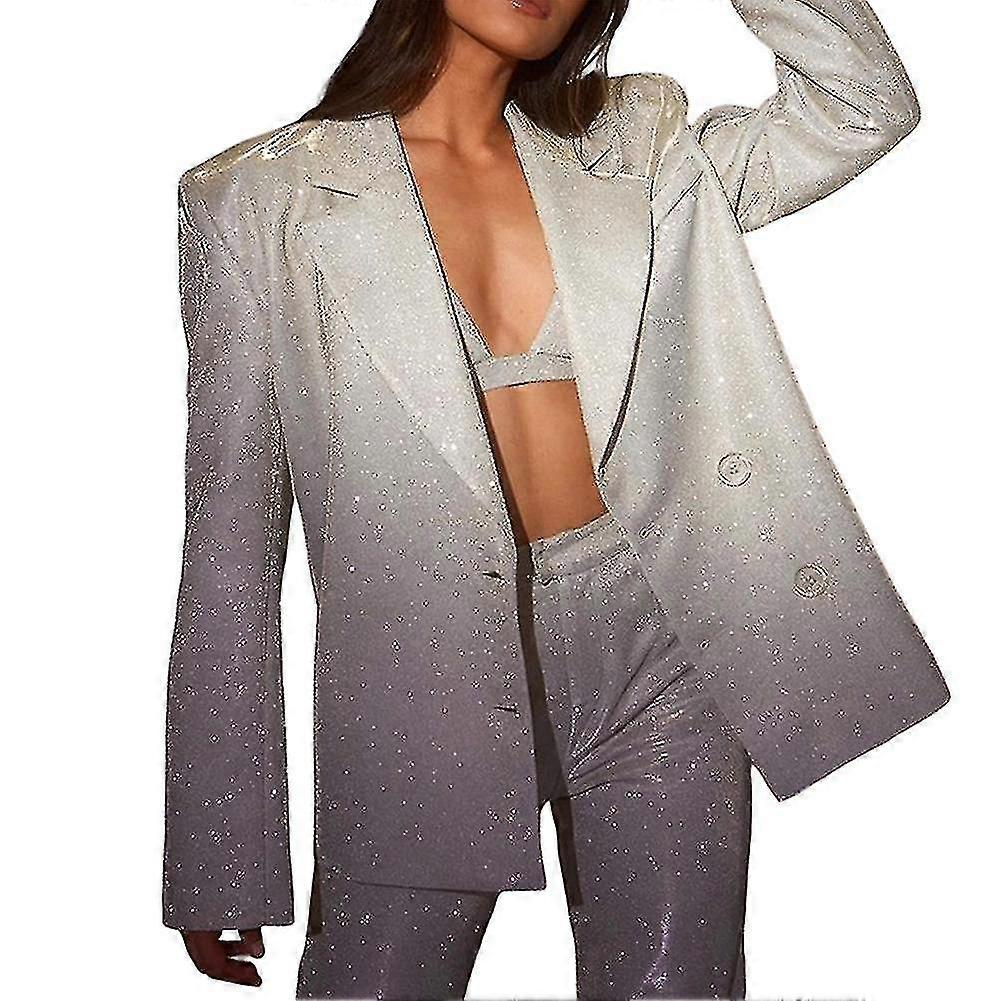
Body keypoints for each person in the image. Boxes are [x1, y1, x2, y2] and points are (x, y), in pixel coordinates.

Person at [162, 1, 950, 998]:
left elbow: (862, 105)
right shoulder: (253, 199)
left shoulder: (637, 145)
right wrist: (220, 846)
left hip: (657, 645)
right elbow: (230, 542)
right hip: (420, 665)